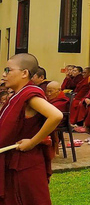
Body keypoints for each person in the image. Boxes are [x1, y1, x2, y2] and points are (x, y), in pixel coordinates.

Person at [0, 53, 63, 205]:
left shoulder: (30, 95)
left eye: (8, 70)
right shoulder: (16, 95)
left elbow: (56, 115)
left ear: (24, 73)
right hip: (13, 159)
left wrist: (33, 142)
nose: (4, 74)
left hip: (25, 163)